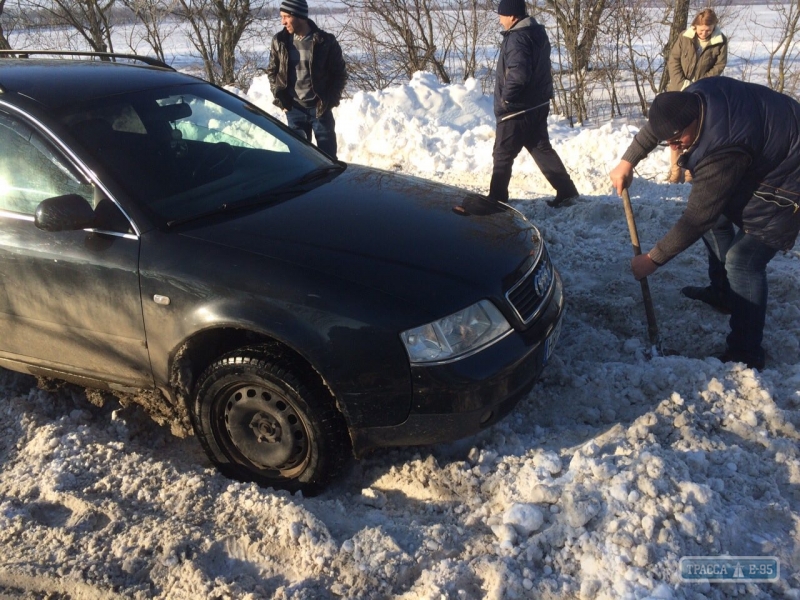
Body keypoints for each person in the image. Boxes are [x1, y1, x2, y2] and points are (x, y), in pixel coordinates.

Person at [609, 77, 800, 370]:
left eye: (676, 141)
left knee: (743, 261)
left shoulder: (724, 148)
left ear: (694, 121)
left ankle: (746, 353)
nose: (673, 148)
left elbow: (697, 217)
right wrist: (628, 161)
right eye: (668, 142)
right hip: (769, 150)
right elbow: (662, 124)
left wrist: (652, 260)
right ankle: (724, 293)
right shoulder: (692, 99)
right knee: (718, 217)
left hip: (789, 182)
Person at [489, 0, 579, 208]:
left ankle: (496, 199)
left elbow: (518, 74)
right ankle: (567, 191)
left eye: (501, 15)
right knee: (540, 148)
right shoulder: (536, 32)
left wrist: (506, 99)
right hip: (537, 104)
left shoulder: (517, 38)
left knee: (502, 154)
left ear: (512, 16)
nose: (500, 19)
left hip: (517, 109)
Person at [266, 0, 347, 159]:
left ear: (299, 15)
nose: (283, 22)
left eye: (286, 17)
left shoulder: (325, 41)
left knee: (328, 159)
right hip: (294, 109)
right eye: (282, 17)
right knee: (300, 160)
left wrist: (329, 101)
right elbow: (272, 72)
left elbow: (340, 74)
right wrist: (281, 98)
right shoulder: (279, 41)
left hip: (320, 109)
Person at [665, 8, 727, 183]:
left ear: (714, 27)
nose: (704, 33)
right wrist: (682, 82)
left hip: (703, 92)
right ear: (695, 27)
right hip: (679, 89)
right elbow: (674, 60)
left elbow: (719, 66)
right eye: (701, 30)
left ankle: (690, 172)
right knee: (676, 131)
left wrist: (699, 83)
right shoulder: (685, 37)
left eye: (708, 30)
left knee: (696, 132)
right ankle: (676, 171)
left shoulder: (720, 41)